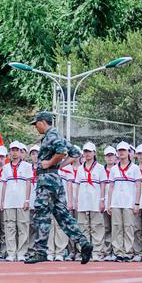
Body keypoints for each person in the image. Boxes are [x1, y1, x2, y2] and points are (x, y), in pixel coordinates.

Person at [25, 111, 93, 264]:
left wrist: (50, 164)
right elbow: (75, 152)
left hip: (47, 180)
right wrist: (58, 166)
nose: (36, 127)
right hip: (54, 178)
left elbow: (62, 152)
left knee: (42, 214)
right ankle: (83, 243)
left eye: (36, 124)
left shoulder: (52, 135)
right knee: (63, 216)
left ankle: (40, 251)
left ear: (43, 122)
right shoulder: (57, 136)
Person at [107, 141, 141, 262]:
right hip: (116, 202)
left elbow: (138, 186)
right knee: (117, 227)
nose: (121, 153)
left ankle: (128, 251)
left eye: (124, 150)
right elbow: (111, 187)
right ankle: (118, 251)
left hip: (129, 203)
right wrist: (109, 203)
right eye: (119, 150)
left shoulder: (135, 168)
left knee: (128, 227)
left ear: (128, 152)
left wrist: (137, 203)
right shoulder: (114, 169)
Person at [1, 141, 33, 261]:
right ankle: (11, 252)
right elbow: (4, 184)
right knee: (10, 227)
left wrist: (27, 200)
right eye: (12, 150)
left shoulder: (27, 166)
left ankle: (21, 252)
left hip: (21, 201)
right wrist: (3, 201)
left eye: (16, 150)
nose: (14, 153)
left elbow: (29, 183)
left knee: (23, 227)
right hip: (9, 202)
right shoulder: (5, 167)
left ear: (21, 152)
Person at [75, 142, 107, 261]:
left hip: (95, 201)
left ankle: (97, 252)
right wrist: (76, 201)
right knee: (83, 227)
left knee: (97, 227)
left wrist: (102, 200)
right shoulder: (79, 169)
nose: (87, 154)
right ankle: (84, 251)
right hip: (83, 201)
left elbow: (103, 185)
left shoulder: (99, 168)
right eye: (85, 152)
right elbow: (77, 185)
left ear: (94, 153)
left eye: (89, 151)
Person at [48, 159, 74, 261]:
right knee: (50, 226)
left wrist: (70, 201)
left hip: (62, 200)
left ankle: (60, 251)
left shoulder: (67, 167)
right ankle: (50, 251)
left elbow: (69, 185)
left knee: (60, 226)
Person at [102, 146, 117, 261]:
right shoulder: (100, 170)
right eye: (108, 155)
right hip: (103, 203)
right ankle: (107, 251)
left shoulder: (118, 170)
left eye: (112, 155)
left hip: (116, 202)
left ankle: (116, 250)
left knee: (116, 227)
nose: (110, 158)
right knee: (106, 227)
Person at [28, 145, 40, 250]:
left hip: (42, 202)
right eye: (33, 154)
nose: (35, 156)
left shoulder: (45, 168)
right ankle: (31, 248)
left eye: (37, 153)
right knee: (31, 226)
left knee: (42, 226)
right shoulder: (27, 168)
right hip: (31, 201)